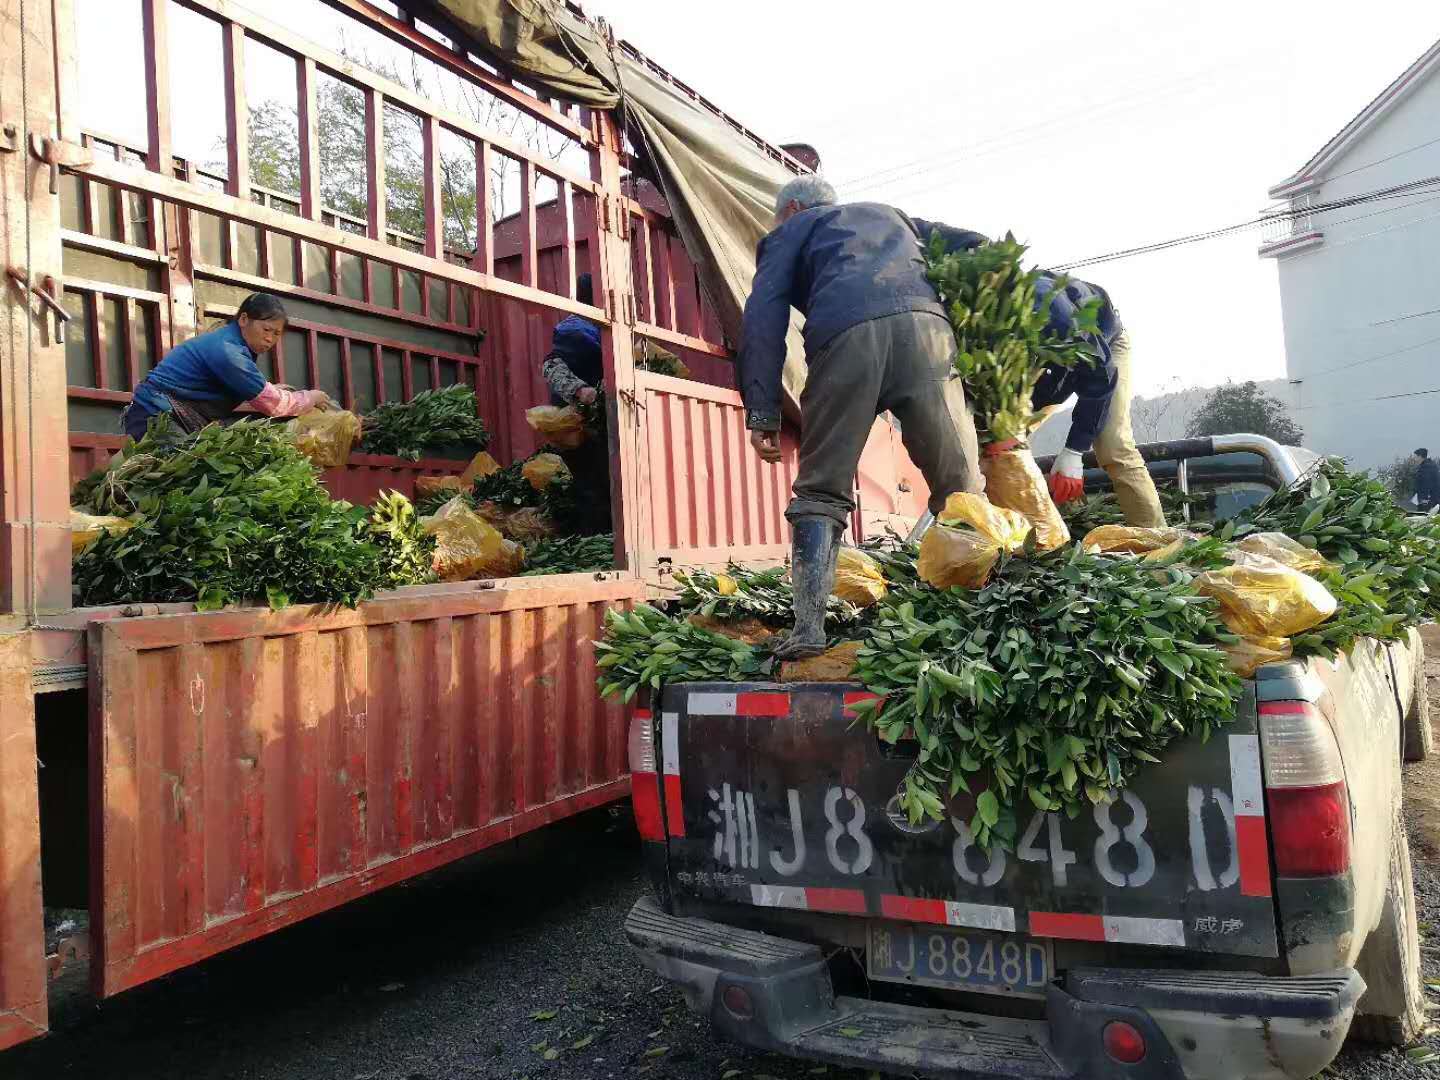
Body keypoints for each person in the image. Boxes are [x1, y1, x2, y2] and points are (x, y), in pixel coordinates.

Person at [738, 177, 982, 659]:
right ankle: (977, 616)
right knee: (960, 489)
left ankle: (809, 629)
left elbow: (763, 315)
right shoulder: (893, 216)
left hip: (846, 340)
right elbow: (976, 247)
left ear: (790, 208)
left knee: (820, 492)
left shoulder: (792, 231)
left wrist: (762, 409)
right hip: (928, 337)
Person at [914, 222, 1164, 527]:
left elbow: (1101, 378)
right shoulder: (974, 328)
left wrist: (1074, 450)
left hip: (1103, 350)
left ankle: (1159, 539)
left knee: (1113, 447)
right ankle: (1022, 537)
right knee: (996, 457)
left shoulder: (1053, 310)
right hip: (1041, 377)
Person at [122, 292, 330, 441]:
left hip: (170, 414)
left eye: (277, 334)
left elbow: (257, 390)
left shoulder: (234, 345)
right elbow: (274, 405)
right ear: (243, 319)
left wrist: (275, 390)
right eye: (266, 329)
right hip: (157, 415)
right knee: (188, 479)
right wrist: (312, 396)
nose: (270, 339)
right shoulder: (228, 351)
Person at [539, 273, 611, 533]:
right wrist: (581, 390)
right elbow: (550, 365)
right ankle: (597, 545)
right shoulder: (576, 329)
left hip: (604, 426)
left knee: (605, 487)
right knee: (592, 488)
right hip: (580, 428)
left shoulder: (608, 329)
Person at [1414, 448, 1440, 513]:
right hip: (1433, 501)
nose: (1414, 459)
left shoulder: (1425, 468)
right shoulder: (1431, 465)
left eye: (1415, 457)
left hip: (1428, 503)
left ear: (1420, 456)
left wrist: (1424, 502)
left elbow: (1425, 487)